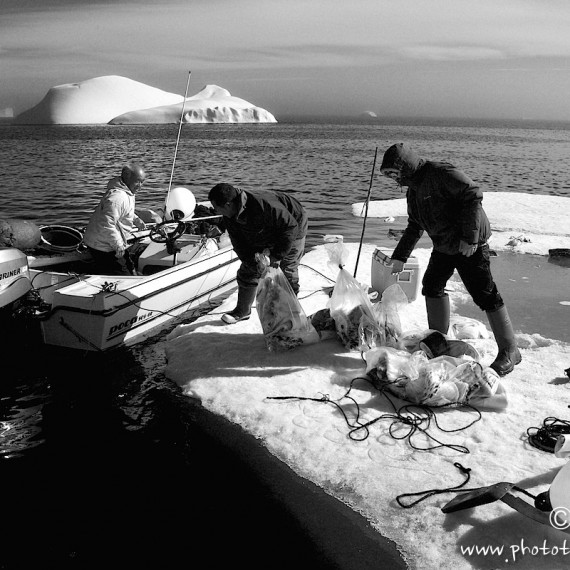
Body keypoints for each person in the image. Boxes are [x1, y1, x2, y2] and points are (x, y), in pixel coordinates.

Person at [379, 142, 521, 376]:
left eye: (394, 172)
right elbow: (415, 225)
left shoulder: (440, 172)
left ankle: (510, 350)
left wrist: (470, 237)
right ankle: (440, 342)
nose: (393, 178)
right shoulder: (413, 190)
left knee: (485, 294)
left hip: (468, 245)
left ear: (406, 165)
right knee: (432, 286)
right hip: (445, 246)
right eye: (389, 175)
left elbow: (473, 195)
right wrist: (400, 257)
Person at [208, 183, 308, 324]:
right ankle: (243, 311)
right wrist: (250, 261)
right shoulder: (229, 215)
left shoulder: (263, 205)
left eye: (216, 207)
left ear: (228, 204)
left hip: (293, 223)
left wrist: (275, 256)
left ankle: (290, 314)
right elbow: (239, 242)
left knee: (287, 269)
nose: (215, 211)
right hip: (262, 229)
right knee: (249, 268)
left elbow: (289, 228)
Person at [83, 162, 147, 275]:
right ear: (127, 176)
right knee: (125, 276)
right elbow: (107, 223)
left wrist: (136, 220)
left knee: (130, 267)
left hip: (109, 241)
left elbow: (123, 212)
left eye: (142, 182)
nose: (140, 186)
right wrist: (118, 245)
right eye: (138, 181)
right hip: (102, 246)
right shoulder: (118, 197)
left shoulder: (127, 193)